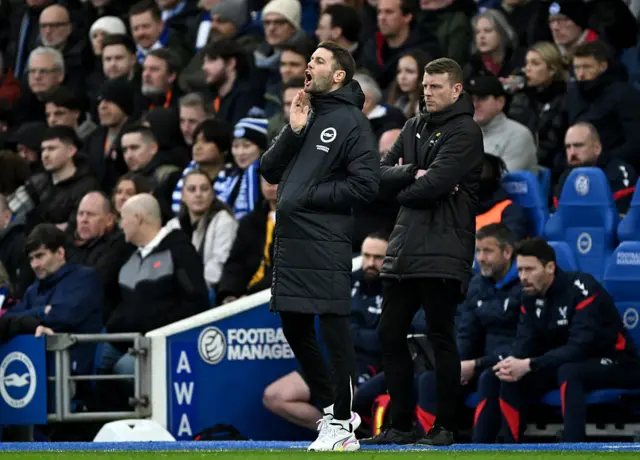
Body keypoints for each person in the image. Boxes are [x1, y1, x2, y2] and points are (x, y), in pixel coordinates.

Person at [260, 41, 380, 452]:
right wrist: (293, 131)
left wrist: (310, 194)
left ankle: (344, 422)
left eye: (319, 61)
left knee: (333, 328)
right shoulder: (304, 114)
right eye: (309, 59)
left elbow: (366, 184)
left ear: (339, 75)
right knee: (294, 327)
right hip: (291, 243)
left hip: (326, 240)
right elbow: (268, 170)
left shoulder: (352, 121)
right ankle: (332, 408)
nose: (309, 65)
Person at [363, 57, 484, 447]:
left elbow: (434, 185)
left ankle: (445, 426)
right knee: (390, 333)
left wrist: (409, 181)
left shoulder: (466, 132)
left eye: (436, 86)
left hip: (444, 247)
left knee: (440, 335)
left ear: (457, 90)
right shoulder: (413, 125)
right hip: (404, 246)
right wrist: (410, 174)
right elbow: (375, 176)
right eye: (425, 86)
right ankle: (401, 425)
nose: (428, 92)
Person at [473, 237, 640, 443]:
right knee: (498, 376)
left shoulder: (581, 288)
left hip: (616, 360)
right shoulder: (529, 297)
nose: (523, 277)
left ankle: (573, 448)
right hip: (560, 361)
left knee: (569, 371)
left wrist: (530, 364)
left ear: (550, 267)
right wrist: (511, 363)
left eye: (530, 270)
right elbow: (523, 344)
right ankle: (491, 449)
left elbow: (579, 348)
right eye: (520, 270)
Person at [262, 232, 388, 432]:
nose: (371, 262)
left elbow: (382, 340)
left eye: (378, 258)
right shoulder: (346, 282)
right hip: (334, 360)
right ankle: (335, 430)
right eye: (366, 256)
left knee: (346, 397)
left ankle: (347, 428)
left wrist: (353, 332)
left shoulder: (394, 290)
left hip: (371, 367)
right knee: (275, 395)